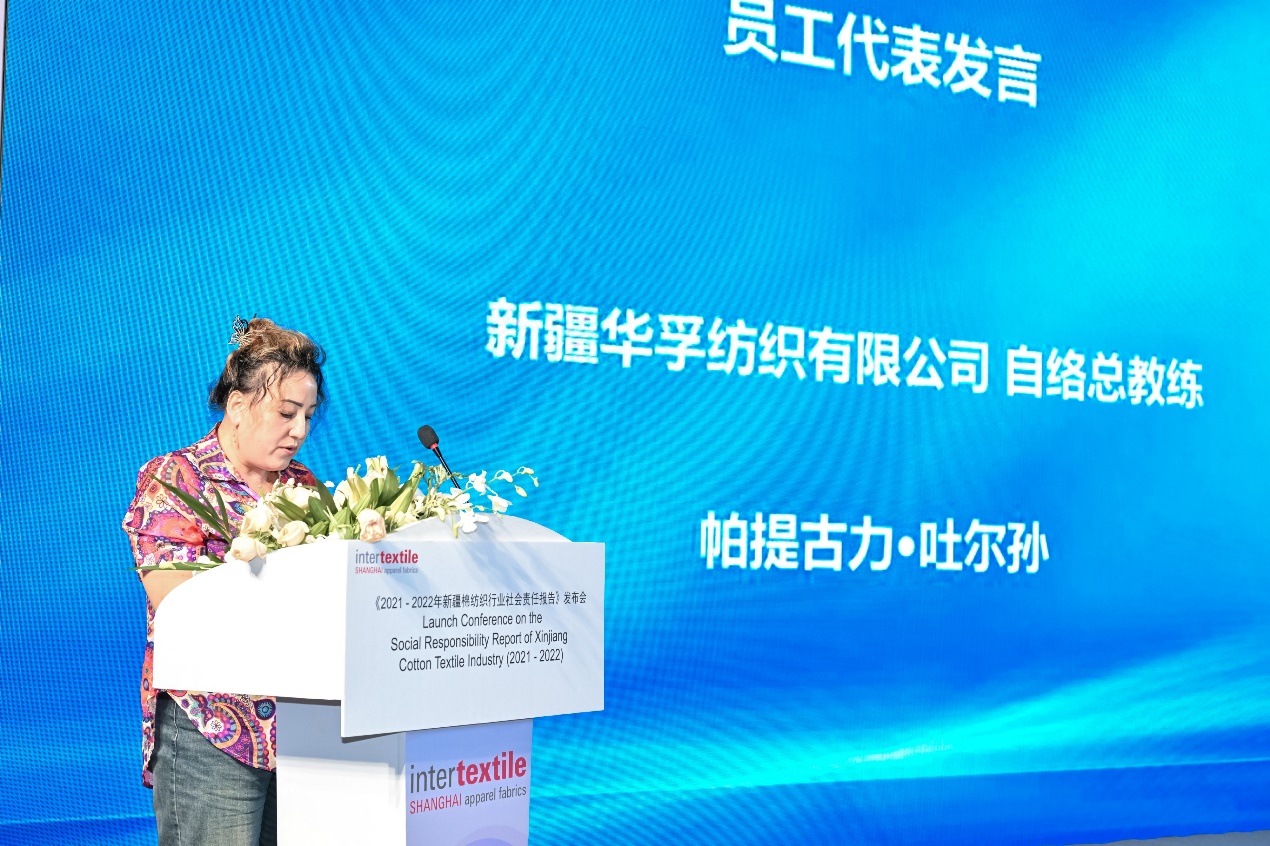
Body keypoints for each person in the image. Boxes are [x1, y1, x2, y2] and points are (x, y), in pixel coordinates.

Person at [122, 318, 325, 846]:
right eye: (287, 413)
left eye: (308, 416)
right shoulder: (176, 480)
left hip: (303, 726)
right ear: (237, 405)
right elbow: (178, 605)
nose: (300, 431)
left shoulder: (305, 486)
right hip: (210, 726)